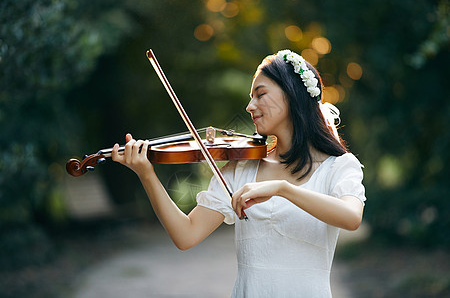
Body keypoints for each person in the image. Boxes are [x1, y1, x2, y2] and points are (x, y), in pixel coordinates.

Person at [111, 49, 366, 297]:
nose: (249, 106)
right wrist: (146, 175)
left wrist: (282, 189)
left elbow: (351, 217)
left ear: (292, 95)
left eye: (260, 94)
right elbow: (185, 235)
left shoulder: (339, 166)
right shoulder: (242, 167)